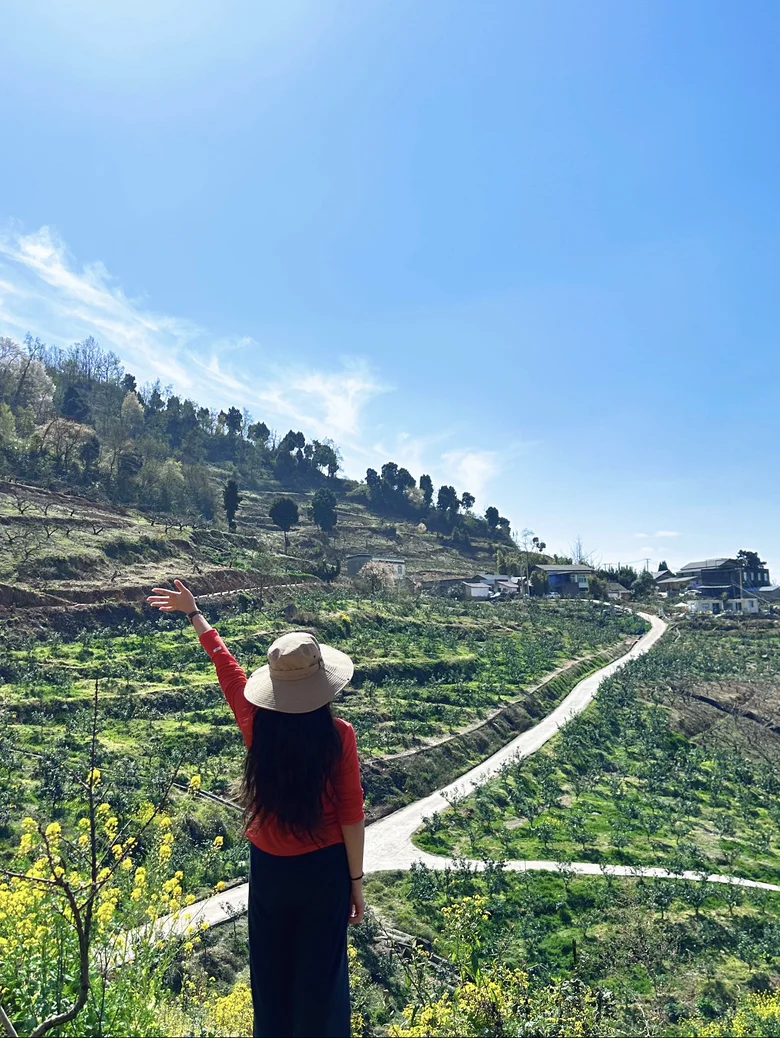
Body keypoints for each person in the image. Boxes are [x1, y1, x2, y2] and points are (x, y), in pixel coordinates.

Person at [146, 579, 365, 1038]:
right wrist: (355, 884)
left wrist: (195, 614)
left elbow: (228, 670)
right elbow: (351, 814)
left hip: (269, 871)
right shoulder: (338, 736)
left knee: (270, 977)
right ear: (323, 683)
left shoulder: (257, 725)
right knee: (321, 984)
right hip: (325, 873)